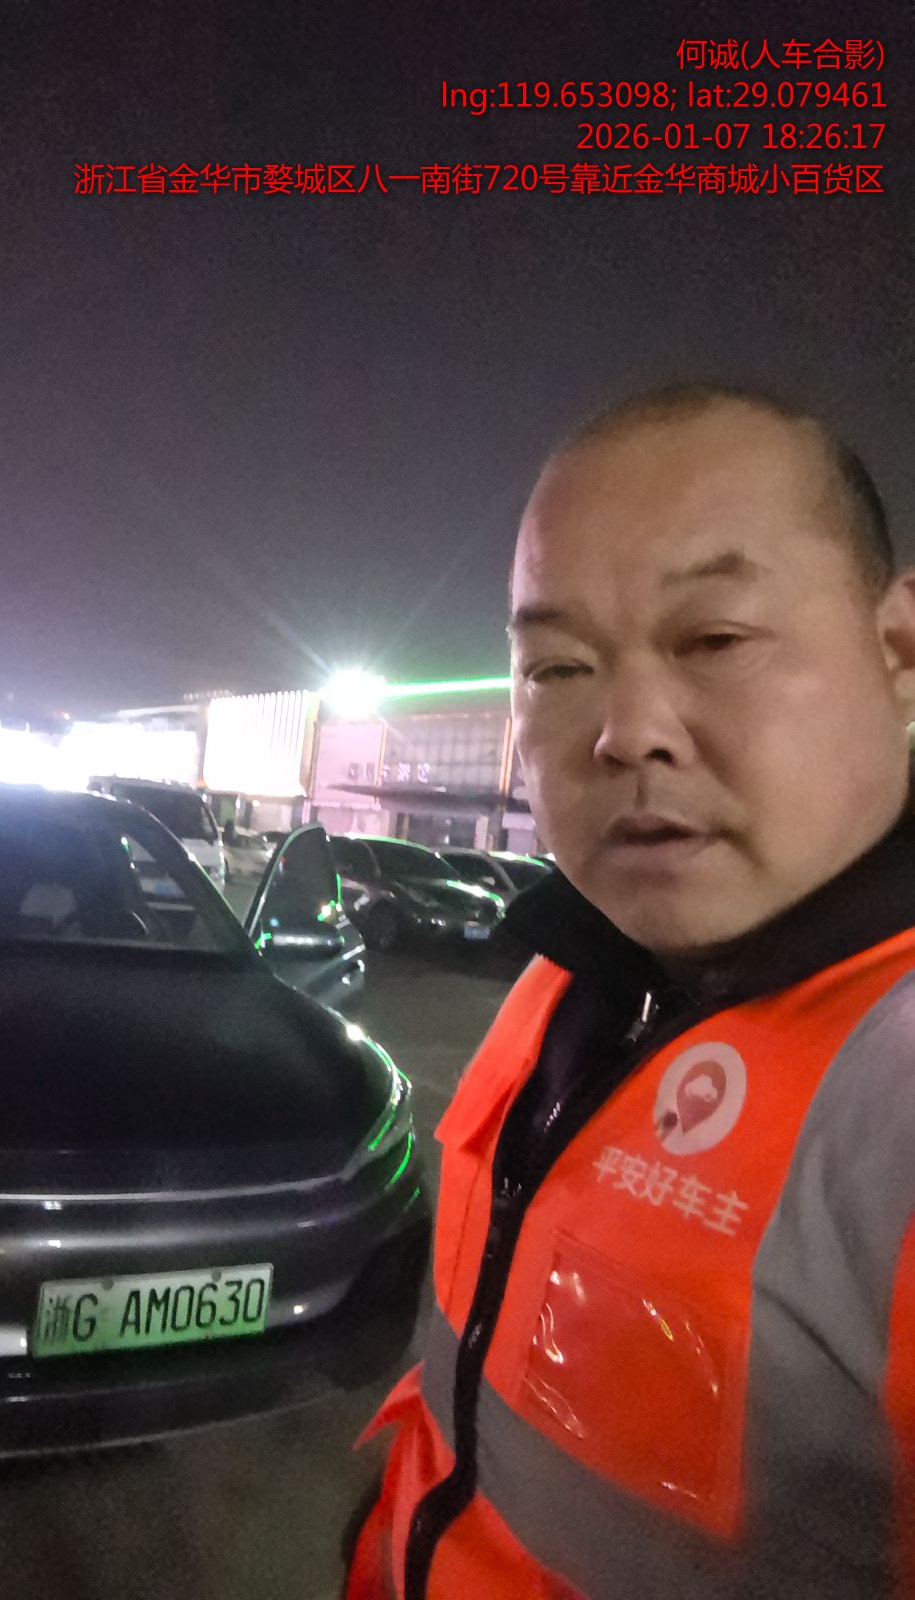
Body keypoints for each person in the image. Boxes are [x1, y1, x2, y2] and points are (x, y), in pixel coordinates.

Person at [344, 385, 915, 1598]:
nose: (625, 732)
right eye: (558, 665)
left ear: (900, 650)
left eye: (714, 639)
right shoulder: (573, 970)